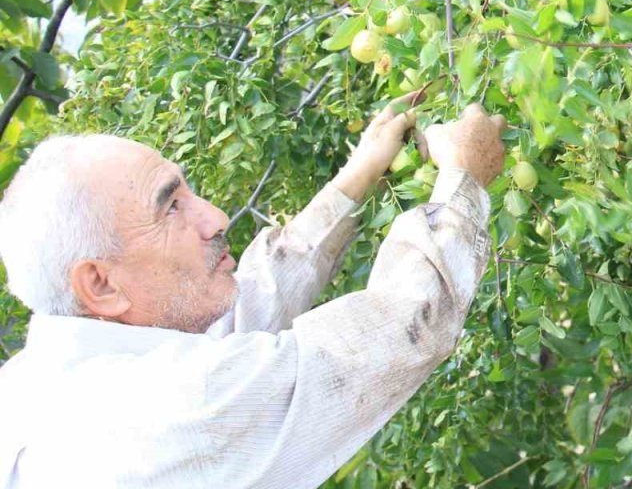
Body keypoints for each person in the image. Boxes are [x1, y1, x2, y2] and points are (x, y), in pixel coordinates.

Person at [0, 100, 506, 488]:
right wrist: (464, 181)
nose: (216, 218)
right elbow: (393, 332)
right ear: (101, 284)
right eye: (171, 208)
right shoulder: (163, 415)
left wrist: (356, 179)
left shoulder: (40, 383)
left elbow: (240, 314)